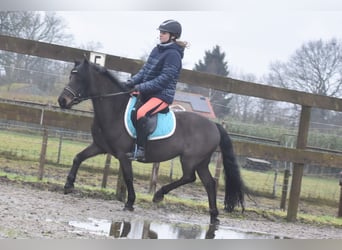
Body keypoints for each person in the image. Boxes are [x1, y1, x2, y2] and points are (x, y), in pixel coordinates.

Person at [126, 19, 187, 161]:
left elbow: (163, 80)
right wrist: (131, 82)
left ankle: (140, 150)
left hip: (162, 95)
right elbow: (145, 71)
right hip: (148, 92)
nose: (160, 35)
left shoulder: (173, 55)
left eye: (164, 32)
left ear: (173, 36)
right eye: (160, 32)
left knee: (141, 112)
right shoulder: (157, 49)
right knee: (130, 108)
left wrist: (140, 87)